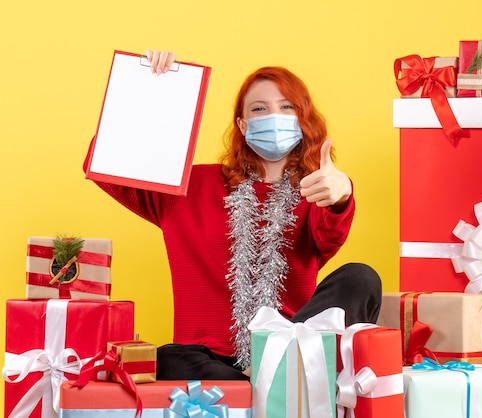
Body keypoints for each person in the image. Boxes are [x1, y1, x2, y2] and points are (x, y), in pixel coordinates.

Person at [84, 50, 382, 380]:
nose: (274, 116)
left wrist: (341, 196)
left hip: (291, 352)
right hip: (207, 360)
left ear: (302, 120)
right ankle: (255, 388)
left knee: (361, 277)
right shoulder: (190, 186)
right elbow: (104, 165)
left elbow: (330, 235)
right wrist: (150, 90)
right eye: (259, 109)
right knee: (166, 359)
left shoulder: (316, 190)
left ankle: (271, 368)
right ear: (242, 124)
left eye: (287, 107)